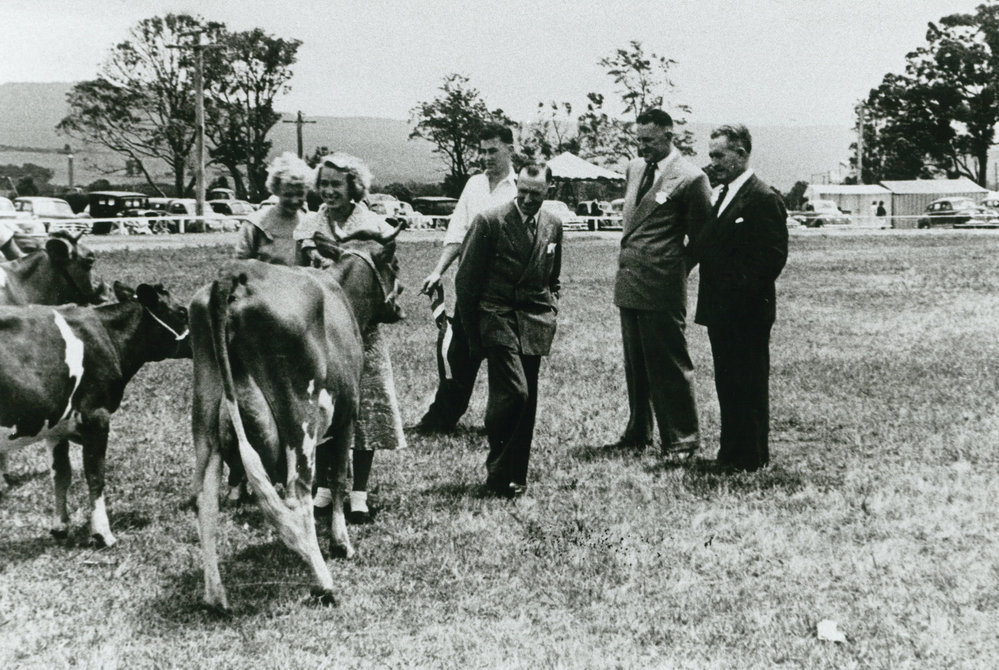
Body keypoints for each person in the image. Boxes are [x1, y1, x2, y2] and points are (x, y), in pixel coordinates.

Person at [300, 152, 407, 523]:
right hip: (324, 331)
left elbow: (390, 276)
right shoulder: (313, 223)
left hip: (364, 334)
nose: (328, 191)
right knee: (327, 409)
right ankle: (327, 487)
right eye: (324, 184)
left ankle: (359, 492)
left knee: (366, 412)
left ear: (354, 186)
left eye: (336, 184)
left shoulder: (374, 225)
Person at [606, 109, 711, 456]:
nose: (642, 147)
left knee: (669, 364)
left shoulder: (691, 178)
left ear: (669, 135)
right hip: (630, 281)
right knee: (635, 364)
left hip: (662, 285)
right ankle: (638, 430)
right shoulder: (635, 169)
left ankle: (682, 439)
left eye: (648, 141)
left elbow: (700, 239)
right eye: (638, 140)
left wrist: (672, 268)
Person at [455, 164, 562, 497]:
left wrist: (551, 308)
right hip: (496, 317)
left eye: (537, 193)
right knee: (515, 393)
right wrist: (475, 338)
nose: (528, 199)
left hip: (534, 322)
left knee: (527, 402)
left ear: (550, 190)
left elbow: (553, 277)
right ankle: (499, 469)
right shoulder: (489, 221)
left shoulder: (553, 224)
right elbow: (466, 283)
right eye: (523, 191)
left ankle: (515, 474)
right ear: (516, 186)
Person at [413, 124, 519, 434]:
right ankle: (440, 420)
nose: (486, 157)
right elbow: (456, 233)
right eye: (483, 151)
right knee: (459, 357)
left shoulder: (518, 189)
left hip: (504, 292)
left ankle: (503, 422)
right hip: (470, 290)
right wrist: (438, 271)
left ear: (510, 149)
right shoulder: (473, 185)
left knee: (504, 362)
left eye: (493, 151)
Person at [695, 124, 788, 471]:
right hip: (722, 311)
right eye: (711, 156)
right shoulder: (722, 195)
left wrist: (738, 296)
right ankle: (732, 452)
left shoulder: (763, 198)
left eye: (719, 155)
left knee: (747, 383)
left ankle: (750, 456)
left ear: (741, 153)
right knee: (729, 383)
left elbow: (772, 258)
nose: (714, 163)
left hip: (746, 313)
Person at [233, 152, 311, 265]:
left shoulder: (309, 223)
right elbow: (239, 264)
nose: (294, 200)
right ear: (276, 191)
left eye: (300, 194)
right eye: (288, 195)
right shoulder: (256, 224)